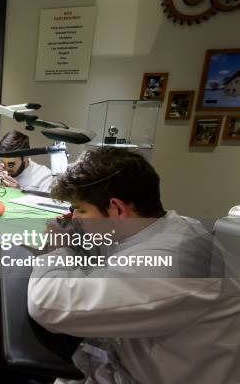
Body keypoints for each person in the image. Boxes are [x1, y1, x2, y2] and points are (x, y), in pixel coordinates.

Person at [26, 147, 240, 383]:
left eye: (80, 210)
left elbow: (46, 304)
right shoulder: (170, 227)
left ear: (117, 208)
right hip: (133, 359)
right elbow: (111, 253)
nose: (74, 217)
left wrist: (58, 248)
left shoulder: (172, 266)